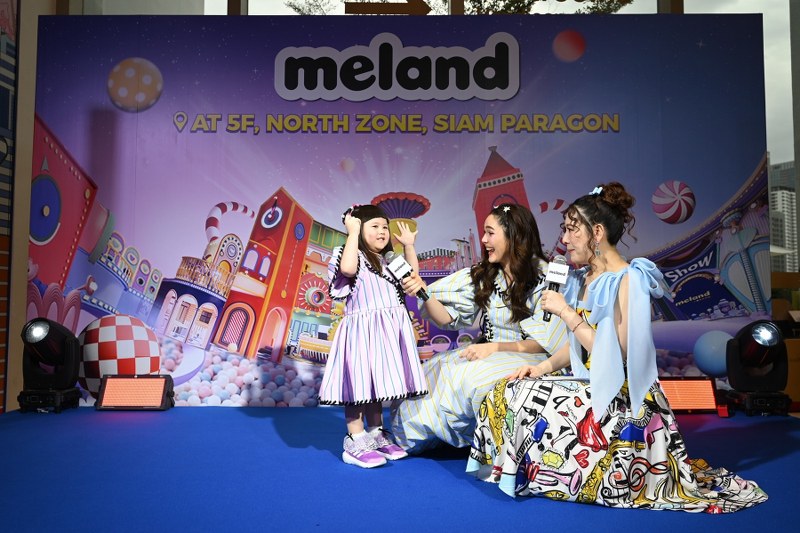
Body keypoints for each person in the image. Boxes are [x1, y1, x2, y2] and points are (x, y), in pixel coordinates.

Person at [466, 183, 767, 512]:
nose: (564, 239)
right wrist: (540, 368)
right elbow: (578, 346)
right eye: (564, 229)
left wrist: (566, 314)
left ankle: (571, 474)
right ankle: (524, 472)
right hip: (589, 385)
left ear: (596, 233)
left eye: (572, 230)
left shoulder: (630, 279)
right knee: (507, 389)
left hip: (622, 397)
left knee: (527, 400)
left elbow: (618, 355)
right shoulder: (582, 278)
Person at [391, 203, 568, 453]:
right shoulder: (486, 274)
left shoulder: (546, 277)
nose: (484, 239)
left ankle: (486, 446)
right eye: (484, 233)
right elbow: (445, 319)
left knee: (468, 376)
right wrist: (424, 292)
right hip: (491, 351)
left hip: (533, 356)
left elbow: (546, 342)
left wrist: (493, 348)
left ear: (514, 235)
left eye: (490, 233)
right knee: (437, 368)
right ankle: (427, 439)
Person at [319, 204, 428, 469]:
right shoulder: (351, 254)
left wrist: (409, 246)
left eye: (384, 227)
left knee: (375, 384)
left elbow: (411, 278)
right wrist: (352, 232)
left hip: (385, 332)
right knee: (359, 385)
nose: (382, 231)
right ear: (358, 228)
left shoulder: (389, 259)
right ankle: (355, 438)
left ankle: (375, 432)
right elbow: (347, 270)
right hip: (362, 332)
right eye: (374, 226)